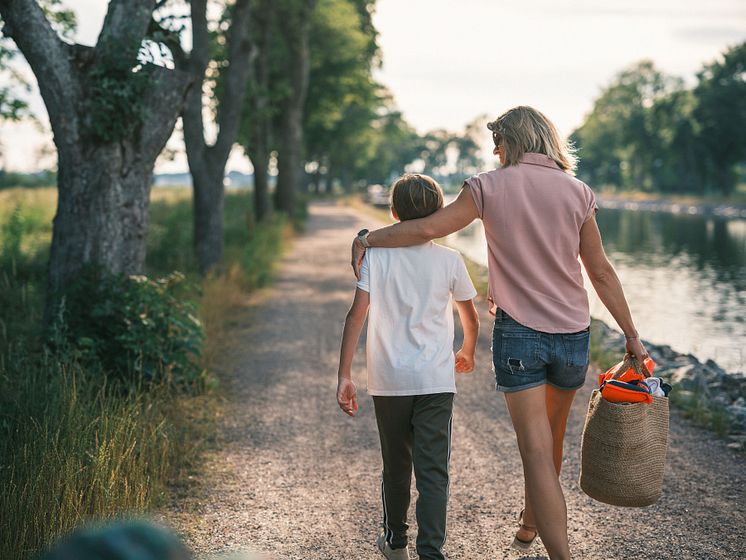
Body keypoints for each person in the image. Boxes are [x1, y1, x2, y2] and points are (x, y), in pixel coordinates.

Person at [350, 106, 647, 560]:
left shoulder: (487, 186)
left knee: (534, 449)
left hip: (521, 335)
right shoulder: (578, 192)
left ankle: (562, 555)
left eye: (499, 141)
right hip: (572, 334)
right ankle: (529, 526)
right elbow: (601, 272)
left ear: (514, 141)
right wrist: (631, 334)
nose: (494, 150)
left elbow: (429, 228)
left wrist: (369, 238)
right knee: (552, 440)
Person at [336, 173, 480, 560]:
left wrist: (344, 375)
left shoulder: (375, 256)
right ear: (438, 214)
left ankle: (396, 542)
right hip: (435, 380)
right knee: (434, 472)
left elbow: (356, 316)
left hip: (390, 380)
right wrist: (467, 350)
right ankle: (431, 552)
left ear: (394, 211)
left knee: (395, 466)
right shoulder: (450, 260)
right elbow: (471, 317)